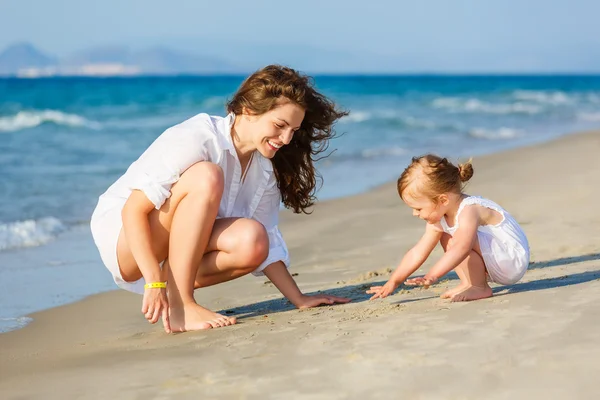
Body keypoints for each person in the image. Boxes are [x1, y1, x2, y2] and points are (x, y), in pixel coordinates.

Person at [91, 65, 351, 333]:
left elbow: (269, 242)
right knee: (207, 175)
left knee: (254, 239)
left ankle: (177, 291)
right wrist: (153, 282)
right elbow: (133, 211)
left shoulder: (263, 169)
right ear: (249, 111)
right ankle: (182, 307)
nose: (286, 139)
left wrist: (299, 298)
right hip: (126, 242)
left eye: (293, 131)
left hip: (172, 250)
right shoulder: (199, 137)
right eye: (279, 125)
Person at [367, 154, 530, 302]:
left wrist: (433, 275)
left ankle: (479, 287)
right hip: (495, 258)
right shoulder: (439, 218)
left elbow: (461, 248)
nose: (414, 214)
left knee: (457, 241)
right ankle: (469, 282)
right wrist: (394, 281)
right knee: (446, 235)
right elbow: (418, 251)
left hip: (511, 259)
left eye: (418, 208)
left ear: (443, 200)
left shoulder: (469, 209)